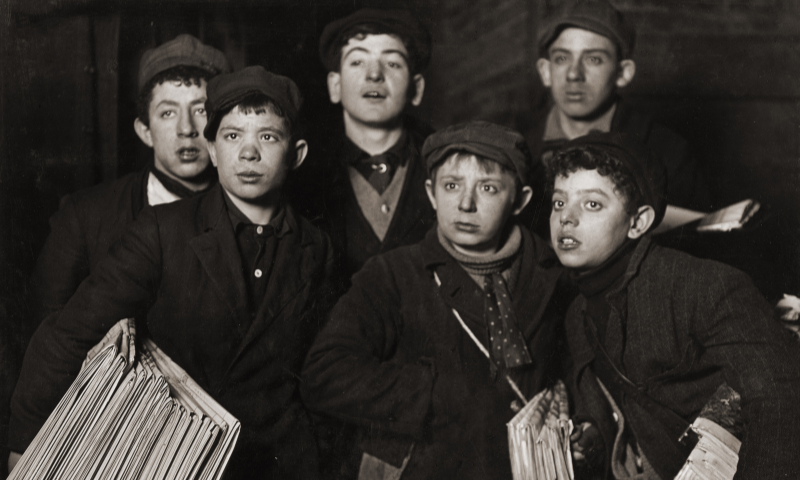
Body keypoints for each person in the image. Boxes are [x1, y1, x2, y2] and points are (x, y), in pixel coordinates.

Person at [9, 66, 334, 479]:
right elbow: (67, 335)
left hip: (276, 462)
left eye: (267, 137)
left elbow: (319, 370)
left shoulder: (316, 247)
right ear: (213, 150)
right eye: (233, 136)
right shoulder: (164, 229)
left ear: (297, 154)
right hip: (173, 454)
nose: (249, 152)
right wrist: (24, 446)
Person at [301, 121, 571, 479]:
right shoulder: (393, 275)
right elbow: (323, 374)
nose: (465, 204)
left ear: (520, 200)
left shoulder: (555, 274)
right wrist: (430, 392)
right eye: (451, 185)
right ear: (431, 193)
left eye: (488, 188)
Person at [547, 133, 800, 479]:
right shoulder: (577, 315)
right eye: (559, 202)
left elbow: (780, 398)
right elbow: (614, 414)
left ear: (638, 222)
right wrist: (589, 440)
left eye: (592, 204)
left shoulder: (702, 286)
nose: (566, 218)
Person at [30, 34, 230, 328]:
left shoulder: (252, 211)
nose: (186, 128)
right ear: (145, 130)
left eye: (201, 110)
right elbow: (43, 331)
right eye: (168, 112)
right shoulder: (84, 217)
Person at [520, 0, 710, 235]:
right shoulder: (518, 152)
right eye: (561, 58)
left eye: (593, 59)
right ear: (545, 71)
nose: (573, 74)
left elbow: (699, 245)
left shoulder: (669, 152)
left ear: (623, 73)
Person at [291, 6, 436, 288]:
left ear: (416, 89)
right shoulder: (301, 176)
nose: (374, 75)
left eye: (392, 63)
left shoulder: (443, 166)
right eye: (357, 62)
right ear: (335, 85)